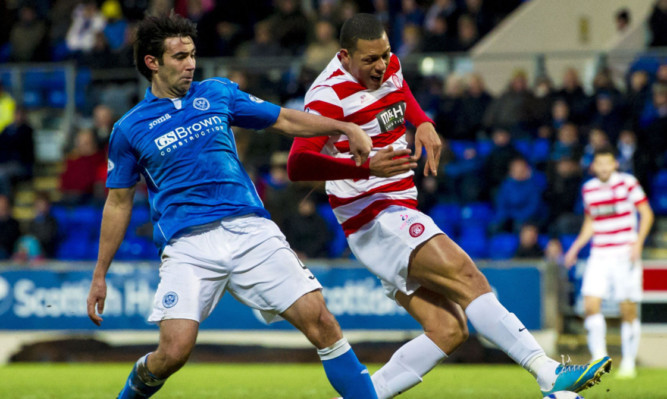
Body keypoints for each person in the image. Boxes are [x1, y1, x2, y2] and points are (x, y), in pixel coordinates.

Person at [287, 13, 611, 398]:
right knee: (468, 277)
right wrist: (364, 167)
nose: (381, 66)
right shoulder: (327, 96)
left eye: (386, 55)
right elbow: (297, 164)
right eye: (370, 60)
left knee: (448, 329)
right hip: (373, 214)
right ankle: (548, 372)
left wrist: (422, 121)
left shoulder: (389, 64)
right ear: (344, 56)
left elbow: (400, 91)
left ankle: (362, 396)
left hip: (395, 209)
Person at [85, 14, 378, 399]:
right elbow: (118, 202)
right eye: (178, 57)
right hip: (188, 244)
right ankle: (133, 388)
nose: (190, 63)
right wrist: (100, 274)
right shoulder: (129, 129)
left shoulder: (218, 93)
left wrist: (344, 128)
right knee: (173, 353)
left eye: (192, 54)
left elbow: (286, 119)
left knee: (322, 322)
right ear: (152, 63)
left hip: (250, 229)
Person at [564, 146, 654, 379]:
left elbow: (646, 213)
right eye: (599, 163)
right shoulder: (589, 189)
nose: (603, 167)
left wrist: (638, 243)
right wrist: (574, 248)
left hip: (625, 252)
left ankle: (629, 363)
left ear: (614, 164)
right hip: (599, 254)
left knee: (627, 308)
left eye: (607, 163)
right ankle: (600, 360)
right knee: (590, 304)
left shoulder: (627, 183)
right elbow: (590, 222)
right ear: (593, 166)